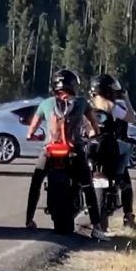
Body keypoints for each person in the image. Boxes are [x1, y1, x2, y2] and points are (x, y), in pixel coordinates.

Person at [24, 69, 109, 241]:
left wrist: (34, 136)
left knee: (36, 181)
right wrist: (93, 133)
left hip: (50, 151)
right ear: (73, 86)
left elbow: (30, 132)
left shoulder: (45, 104)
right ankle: (96, 226)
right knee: (87, 185)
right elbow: (95, 127)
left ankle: (29, 220)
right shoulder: (82, 103)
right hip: (73, 150)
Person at [89, 74, 136, 228]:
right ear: (108, 90)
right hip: (108, 147)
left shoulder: (87, 105)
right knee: (127, 150)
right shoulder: (112, 106)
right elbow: (132, 118)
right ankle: (128, 216)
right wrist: (127, 99)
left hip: (89, 147)